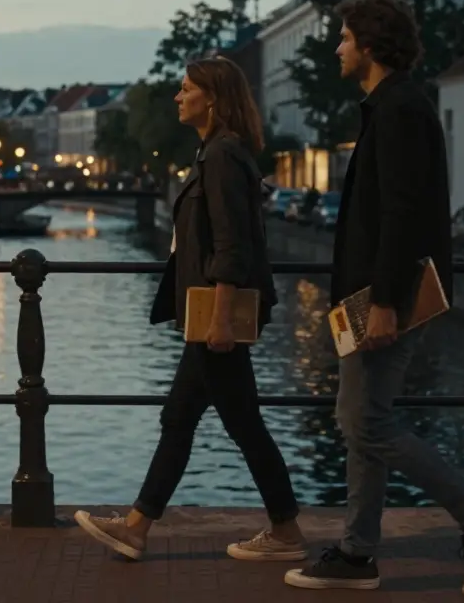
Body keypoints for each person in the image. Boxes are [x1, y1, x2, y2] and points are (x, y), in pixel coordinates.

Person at [282, 0, 464, 598]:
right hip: (371, 292)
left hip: (385, 294)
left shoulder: (400, 110)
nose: (336, 47)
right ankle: (358, 552)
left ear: (369, 44)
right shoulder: (390, 105)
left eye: (343, 37)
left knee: (365, 421)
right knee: (362, 418)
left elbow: (401, 212)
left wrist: (385, 299)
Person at [73, 57, 307, 563]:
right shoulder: (215, 153)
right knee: (189, 419)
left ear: (213, 99)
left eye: (185, 90)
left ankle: (283, 531)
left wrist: (221, 318)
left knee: (229, 425)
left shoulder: (222, 157)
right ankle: (139, 526)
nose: (177, 98)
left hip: (213, 316)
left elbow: (230, 245)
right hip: (204, 315)